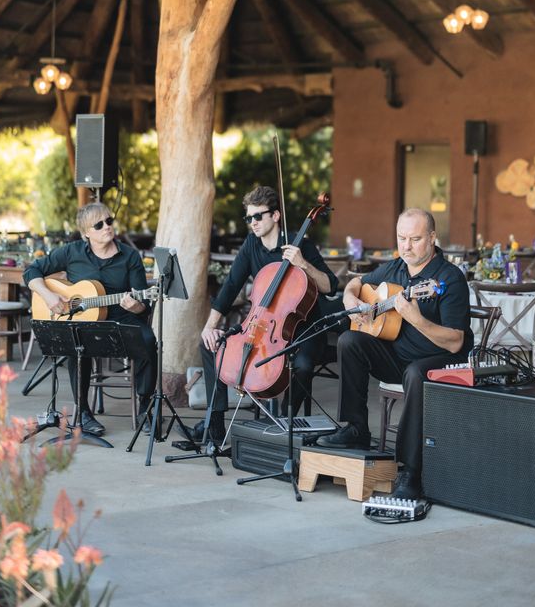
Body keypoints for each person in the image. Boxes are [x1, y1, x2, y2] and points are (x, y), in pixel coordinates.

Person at [316, 208, 472, 499]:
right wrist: (351, 298)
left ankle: (410, 471)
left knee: (415, 372)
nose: (407, 246)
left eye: (415, 239)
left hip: (439, 360)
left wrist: (416, 319)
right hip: (397, 357)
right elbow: (356, 282)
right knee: (350, 340)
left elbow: (455, 342)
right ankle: (356, 429)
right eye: (402, 238)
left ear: (433, 237)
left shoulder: (448, 279)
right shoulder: (396, 267)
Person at [189, 185, 340, 445]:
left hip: (302, 330)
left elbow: (331, 286)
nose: (253, 223)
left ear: (276, 216)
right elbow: (231, 286)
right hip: (261, 327)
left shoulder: (300, 244)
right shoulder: (251, 245)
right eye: (249, 218)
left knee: (301, 365)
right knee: (214, 346)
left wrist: (303, 264)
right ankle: (213, 426)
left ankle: (283, 424)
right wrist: (209, 327)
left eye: (258, 216)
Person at [24, 202, 158, 436]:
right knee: (74, 341)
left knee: (147, 340)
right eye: (99, 224)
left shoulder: (129, 256)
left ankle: (145, 407)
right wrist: (48, 295)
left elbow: (144, 307)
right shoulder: (72, 252)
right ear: (86, 233)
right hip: (84, 321)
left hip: (120, 319)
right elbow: (31, 272)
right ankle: (83, 412)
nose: (107, 226)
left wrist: (136, 305)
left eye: (109, 221)